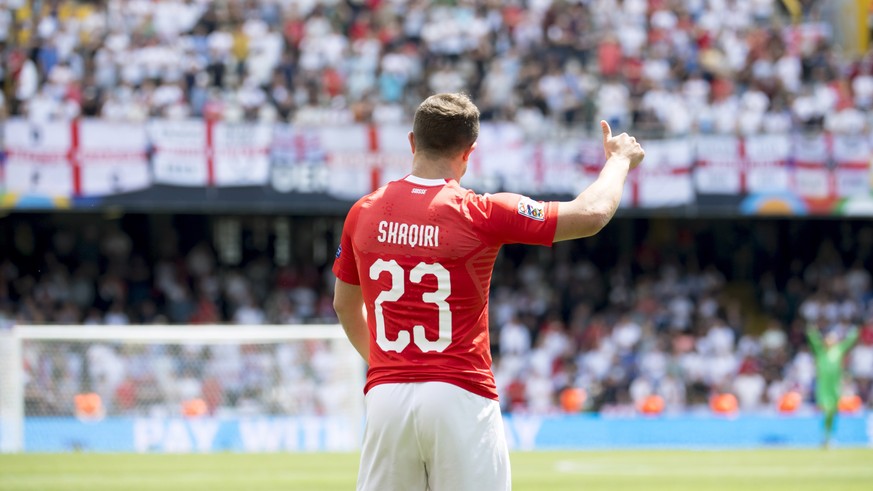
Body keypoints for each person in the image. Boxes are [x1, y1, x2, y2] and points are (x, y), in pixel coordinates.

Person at [332, 92, 644, 490]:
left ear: (412, 142)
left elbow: (344, 305)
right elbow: (591, 214)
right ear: (469, 152)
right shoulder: (479, 211)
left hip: (385, 396)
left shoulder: (363, 211)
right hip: (460, 391)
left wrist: (390, 365)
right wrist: (618, 160)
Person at [805, 322, 859, 448]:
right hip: (823, 387)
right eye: (828, 339)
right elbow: (813, 341)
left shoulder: (838, 350)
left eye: (832, 339)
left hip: (835, 388)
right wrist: (811, 331)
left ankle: (828, 437)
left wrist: (854, 331)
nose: (830, 341)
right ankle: (825, 436)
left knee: (833, 412)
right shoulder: (821, 352)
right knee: (828, 410)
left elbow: (848, 343)